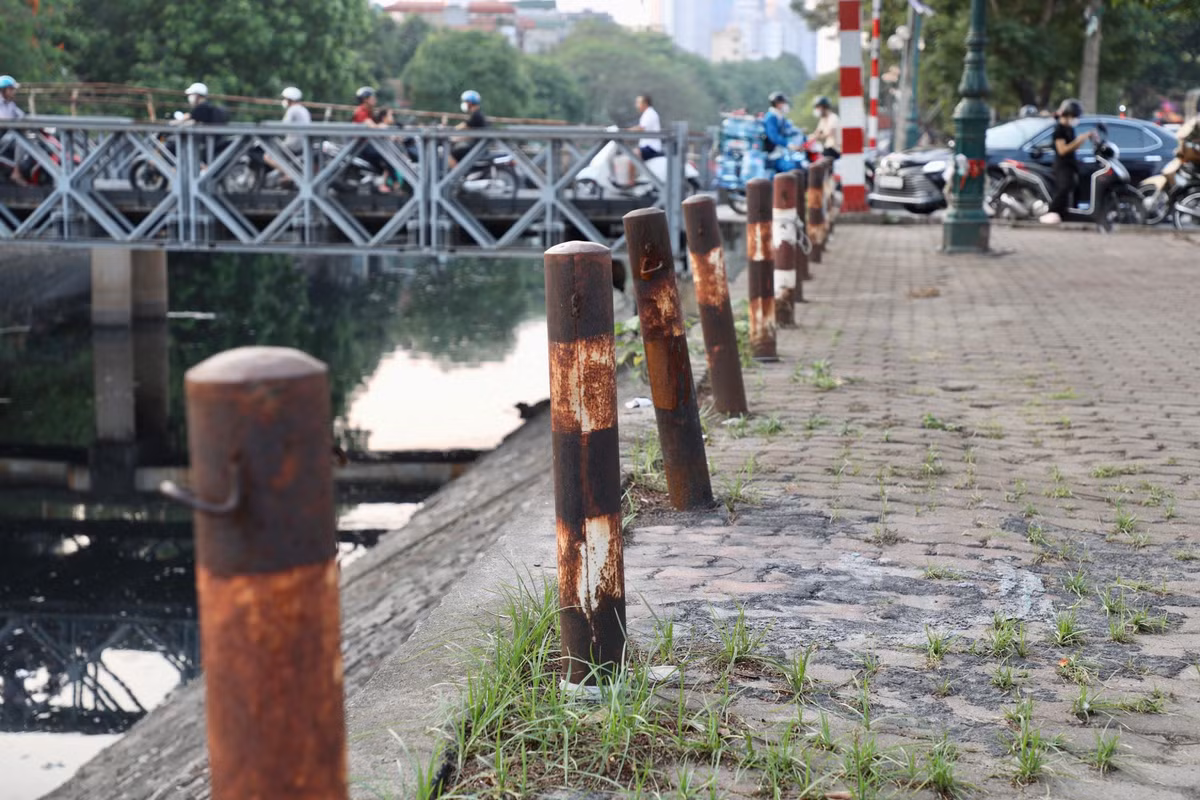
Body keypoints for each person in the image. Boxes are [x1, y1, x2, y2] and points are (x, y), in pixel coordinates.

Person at [1039, 98, 1095, 225]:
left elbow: (1072, 147)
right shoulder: (1059, 129)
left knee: (1073, 188)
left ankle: (1066, 214)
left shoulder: (1069, 129)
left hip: (1071, 165)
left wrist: (1085, 138)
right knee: (1063, 189)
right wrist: (1079, 140)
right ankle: (1052, 212)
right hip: (1062, 166)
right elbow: (1062, 150)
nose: (1075, 119)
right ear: (1069, 114)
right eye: (1074, 116)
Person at [265, 86, 311, 184]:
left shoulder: (292, 110)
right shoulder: (304, 110)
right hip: (304, 143)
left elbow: (283, 126)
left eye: (285, 98)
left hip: (294, 143)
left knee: (267, 156)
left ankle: (289, 174)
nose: (284, 101)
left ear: (290, 99)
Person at [627, 93, 662, 184]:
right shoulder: (648, 113)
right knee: (632, 153)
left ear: (645, 103)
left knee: (633, 154)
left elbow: (641, 128)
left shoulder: (649, 114)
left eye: (638, 102)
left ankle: (631, 182)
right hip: (647, 146)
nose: (636, 105)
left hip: (651, 147)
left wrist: (627, 131)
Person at [764, 91, 800, 172]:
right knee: (791, 169)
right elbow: (773, 136)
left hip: (782, 152)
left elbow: (789, 130)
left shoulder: (780, 116)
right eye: (783, 102)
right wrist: (788, 144)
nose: (785, 105)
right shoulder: (771, 117)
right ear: (777, 104)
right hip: (773, 154)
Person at [0, 75, 27, 185]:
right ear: (3, 90)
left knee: (30, 139)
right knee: (20, 141)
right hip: (2, 136)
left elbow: (21, 116)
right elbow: (4, 121)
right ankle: (16, 172)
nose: (13, 92)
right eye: (11, 89)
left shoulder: (11, 104)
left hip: (7, 136)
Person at [450, 89, 487, 167]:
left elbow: (462, 127)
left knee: (449, 154)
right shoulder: (478, 114)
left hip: (476, 146)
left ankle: (457, 175)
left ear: (469, 103)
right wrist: (457, 138)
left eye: (465, 102)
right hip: (479, 144)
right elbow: (469, 133)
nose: (464, 104)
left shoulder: (475, 115)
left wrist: (449, 132)